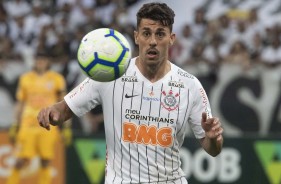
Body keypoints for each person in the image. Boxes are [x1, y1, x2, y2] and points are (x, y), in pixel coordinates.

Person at [37, 2, 223, 184]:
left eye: (160, 34)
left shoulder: (189, 85)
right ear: (136, 37)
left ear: (171, 38)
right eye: (146, 33)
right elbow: (64, 109)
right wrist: (52, 113)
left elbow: (213, 149)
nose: (152, 41)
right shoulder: (110, 74)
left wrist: (213, 139)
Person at [7, 53, 71, 184]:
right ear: (34, 61)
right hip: (28, 124)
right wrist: (15, 123)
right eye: (38, 59)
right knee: (21, 159)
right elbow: (20, 103)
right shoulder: (26, 78)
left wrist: (66, 127)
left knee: (46, 160)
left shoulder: (57, 79)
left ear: (48, 61)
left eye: (43, 59)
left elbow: (65, 103)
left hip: (48, 126)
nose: (40, 62)